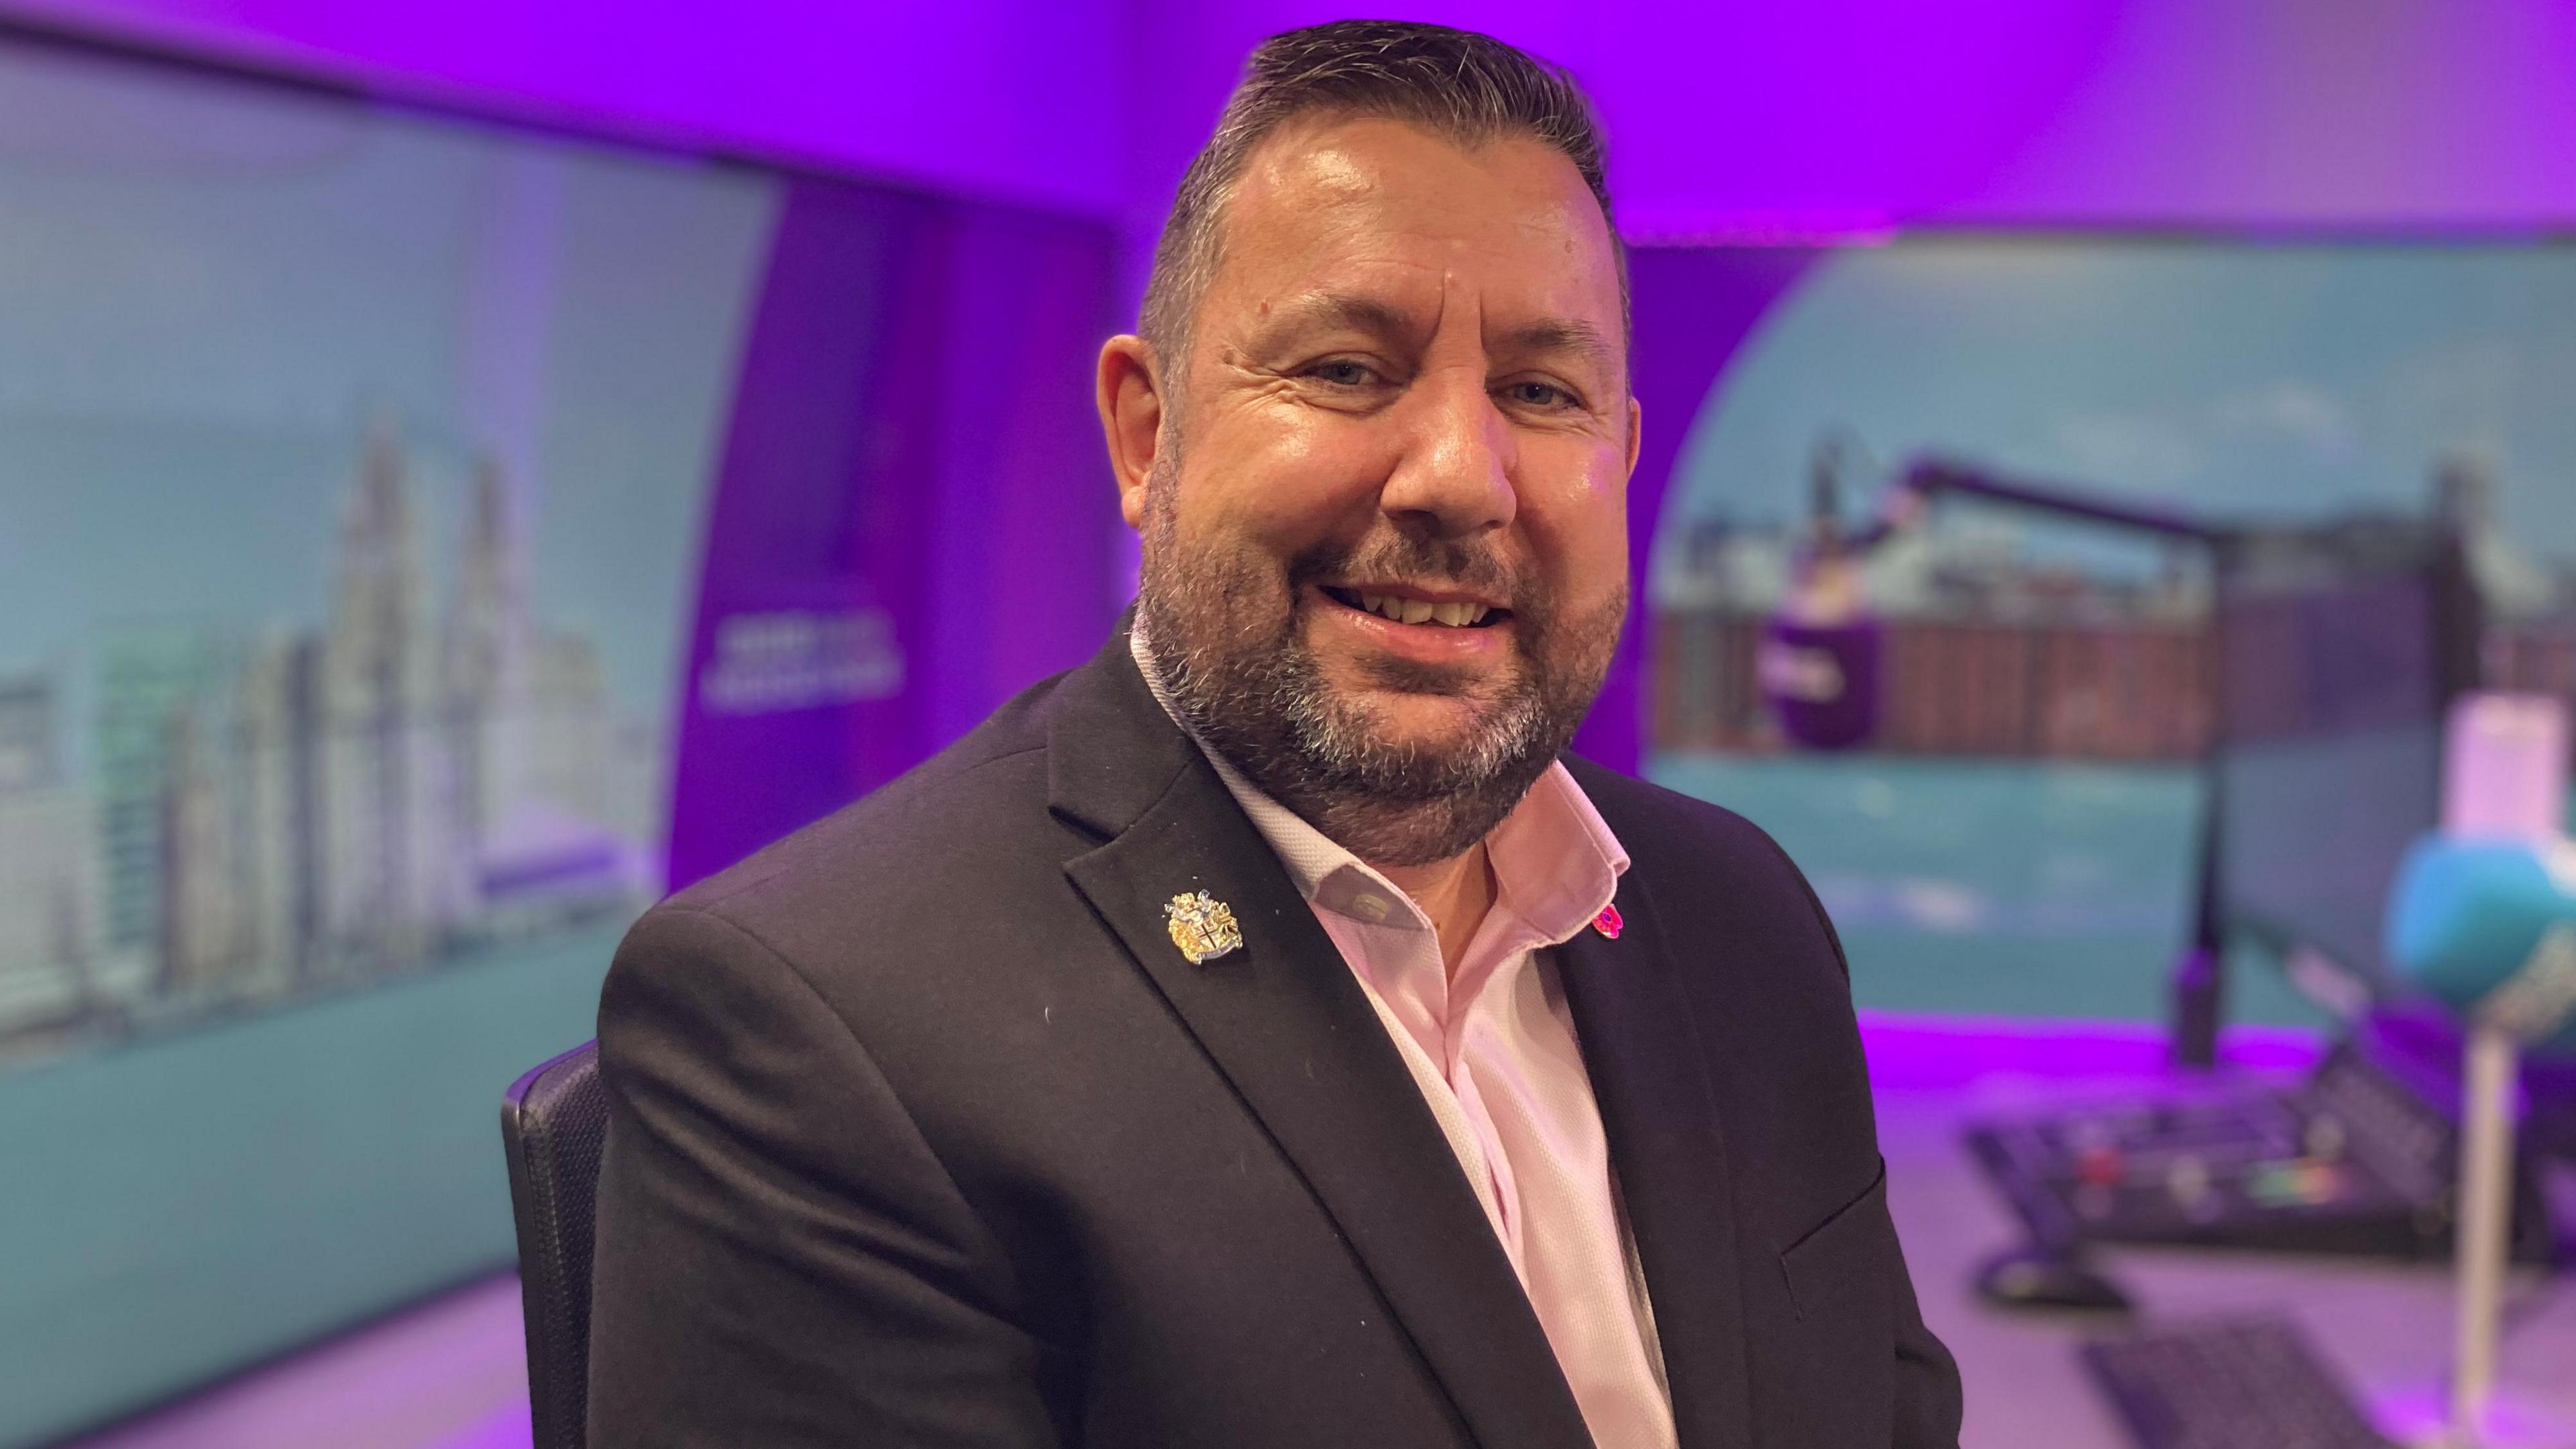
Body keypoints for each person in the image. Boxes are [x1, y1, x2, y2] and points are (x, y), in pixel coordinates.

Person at [588, 19, 1962, 1448]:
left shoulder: (1739, 916)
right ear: (1147, 434)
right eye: (1348, 369)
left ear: (1618, 451)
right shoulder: (823, 1027)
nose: (1458, 480)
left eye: (1541, 393)